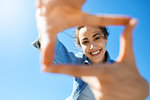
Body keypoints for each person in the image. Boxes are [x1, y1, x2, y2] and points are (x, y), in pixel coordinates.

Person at [34, 0, 149, 100]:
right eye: (85, 42)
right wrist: (47, 32)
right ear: (81, 46)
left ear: (106, 38)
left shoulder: (117, 70)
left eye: (97, 38)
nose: (92, 47)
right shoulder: (79, 63)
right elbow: (57, 52)